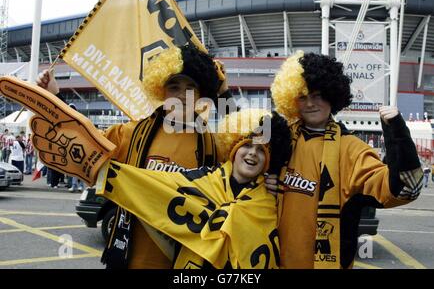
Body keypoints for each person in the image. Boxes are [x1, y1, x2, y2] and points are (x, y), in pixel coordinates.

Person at [35, 44, 232, 269]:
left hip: (185, 262)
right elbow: (84, 137)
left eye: (191, 87)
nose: (182, 95)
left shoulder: (212, 144)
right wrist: (54, 97)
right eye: (174, 86)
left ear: (201, 94)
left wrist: (224, 93)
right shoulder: (133, 133)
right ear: (161, 90)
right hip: (131, 259)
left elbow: (248, 142)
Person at [266, 51, 424, 269]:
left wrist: (397, 133)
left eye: (318, 95)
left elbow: (406, 188)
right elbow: (236, 165)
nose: (311, 103)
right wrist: (264, 180)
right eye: (303, 96)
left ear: (333, 95)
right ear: (291, 99)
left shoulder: (352, 150)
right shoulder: (278, 138)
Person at [92, 108, 290, 268]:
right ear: (234, 148)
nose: (252, 153)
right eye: (247, 145)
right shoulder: (201, 179)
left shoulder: (270, 202)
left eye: (261, 150)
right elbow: (153, 185)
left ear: (267, 161)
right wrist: (100, 167)